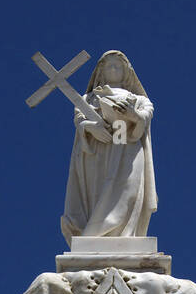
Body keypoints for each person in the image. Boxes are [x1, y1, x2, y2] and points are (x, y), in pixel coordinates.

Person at [61, 51, 157, 243]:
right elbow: (79, 121)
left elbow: (145, 118)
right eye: (109, 66)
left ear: (126, 71)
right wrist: (91, 128)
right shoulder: (88, 99)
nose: (113, 70)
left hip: (128, 149)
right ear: (101, 71)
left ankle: (126, 235)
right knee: (99, 191)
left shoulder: (139, 99)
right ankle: (93, 236)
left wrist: (133, 115)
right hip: (99, 151)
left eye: (118, 66)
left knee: (127, 190)